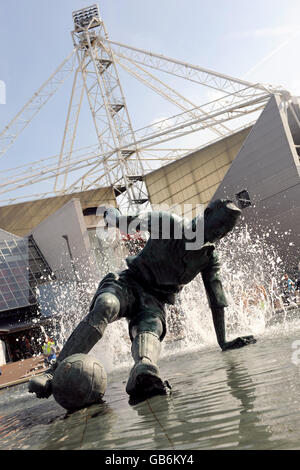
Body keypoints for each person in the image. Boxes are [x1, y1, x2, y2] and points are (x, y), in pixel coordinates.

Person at [28, 199, 256, 402]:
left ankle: (142, 374)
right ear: (206, 215)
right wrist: (105, 211)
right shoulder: (168, 222)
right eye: (217, 226)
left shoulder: (209, 257)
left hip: (154, 302)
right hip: (127, 283)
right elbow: (122, 222)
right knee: (106, 305)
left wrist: (223, 342)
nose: (218, 234)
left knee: (151, 331)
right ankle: (53, 372)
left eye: (224, 232)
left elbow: (216, 299)